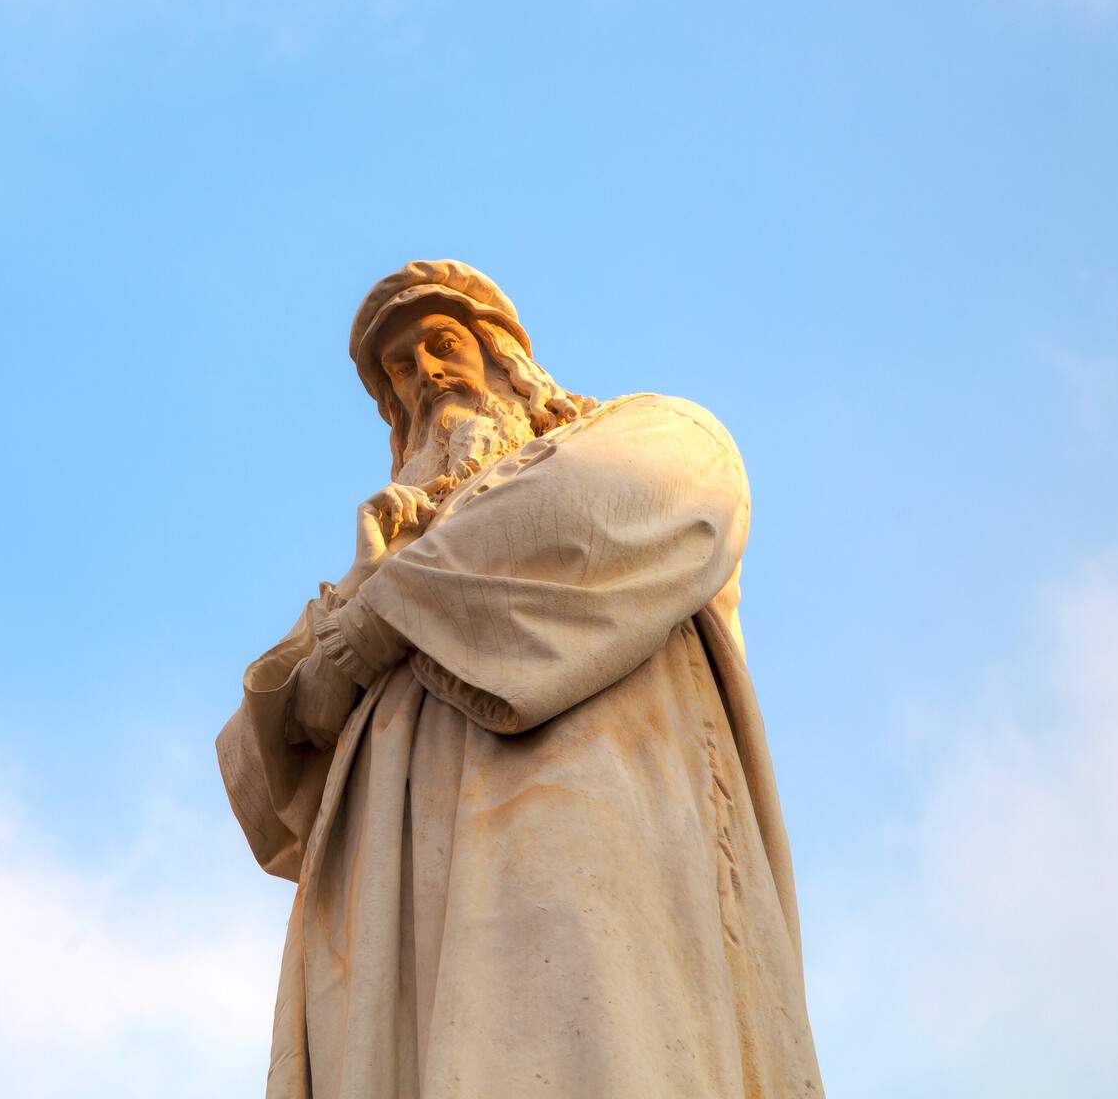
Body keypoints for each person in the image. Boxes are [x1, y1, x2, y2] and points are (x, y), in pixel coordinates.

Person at [217, 259, 824, 1097]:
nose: (426, 374)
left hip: (577, 818)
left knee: (580, 1038)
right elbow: (262, 773)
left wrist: (383, 611)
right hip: (400, 886)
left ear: (501, 354)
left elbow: (637, 497)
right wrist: (355, 605)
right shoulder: (382, 551)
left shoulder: (643, 431)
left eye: (442, 343)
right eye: (400, 367)